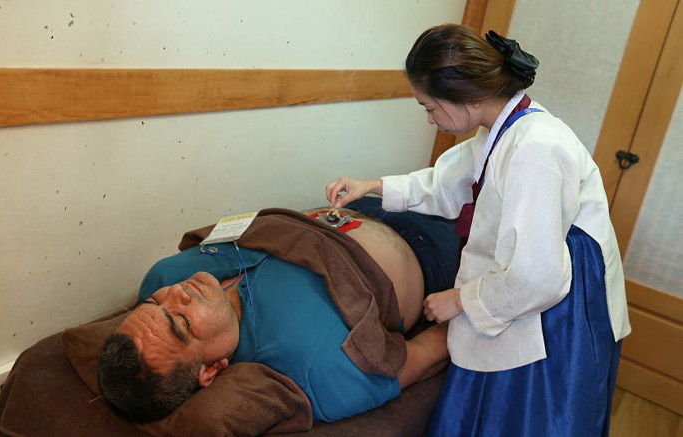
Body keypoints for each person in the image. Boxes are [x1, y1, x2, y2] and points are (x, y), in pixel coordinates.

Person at [326, 24, 631, 436]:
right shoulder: (500, 130)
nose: (431, 120)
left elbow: (538, 276)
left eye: (430, 108)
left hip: (561, 301)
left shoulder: (535, 149)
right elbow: (443, 183)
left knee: (531, 414)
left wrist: (461, 299)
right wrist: (373, 187)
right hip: (529, 276)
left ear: (465, 97)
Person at [96, 197, 458, 423]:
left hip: (354, 206)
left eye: (155, 302)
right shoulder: (319, 374)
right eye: (180, 321)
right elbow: (428, 353)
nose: (177, 293)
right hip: (425, 244)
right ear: (210, 371)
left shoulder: (162, 276)